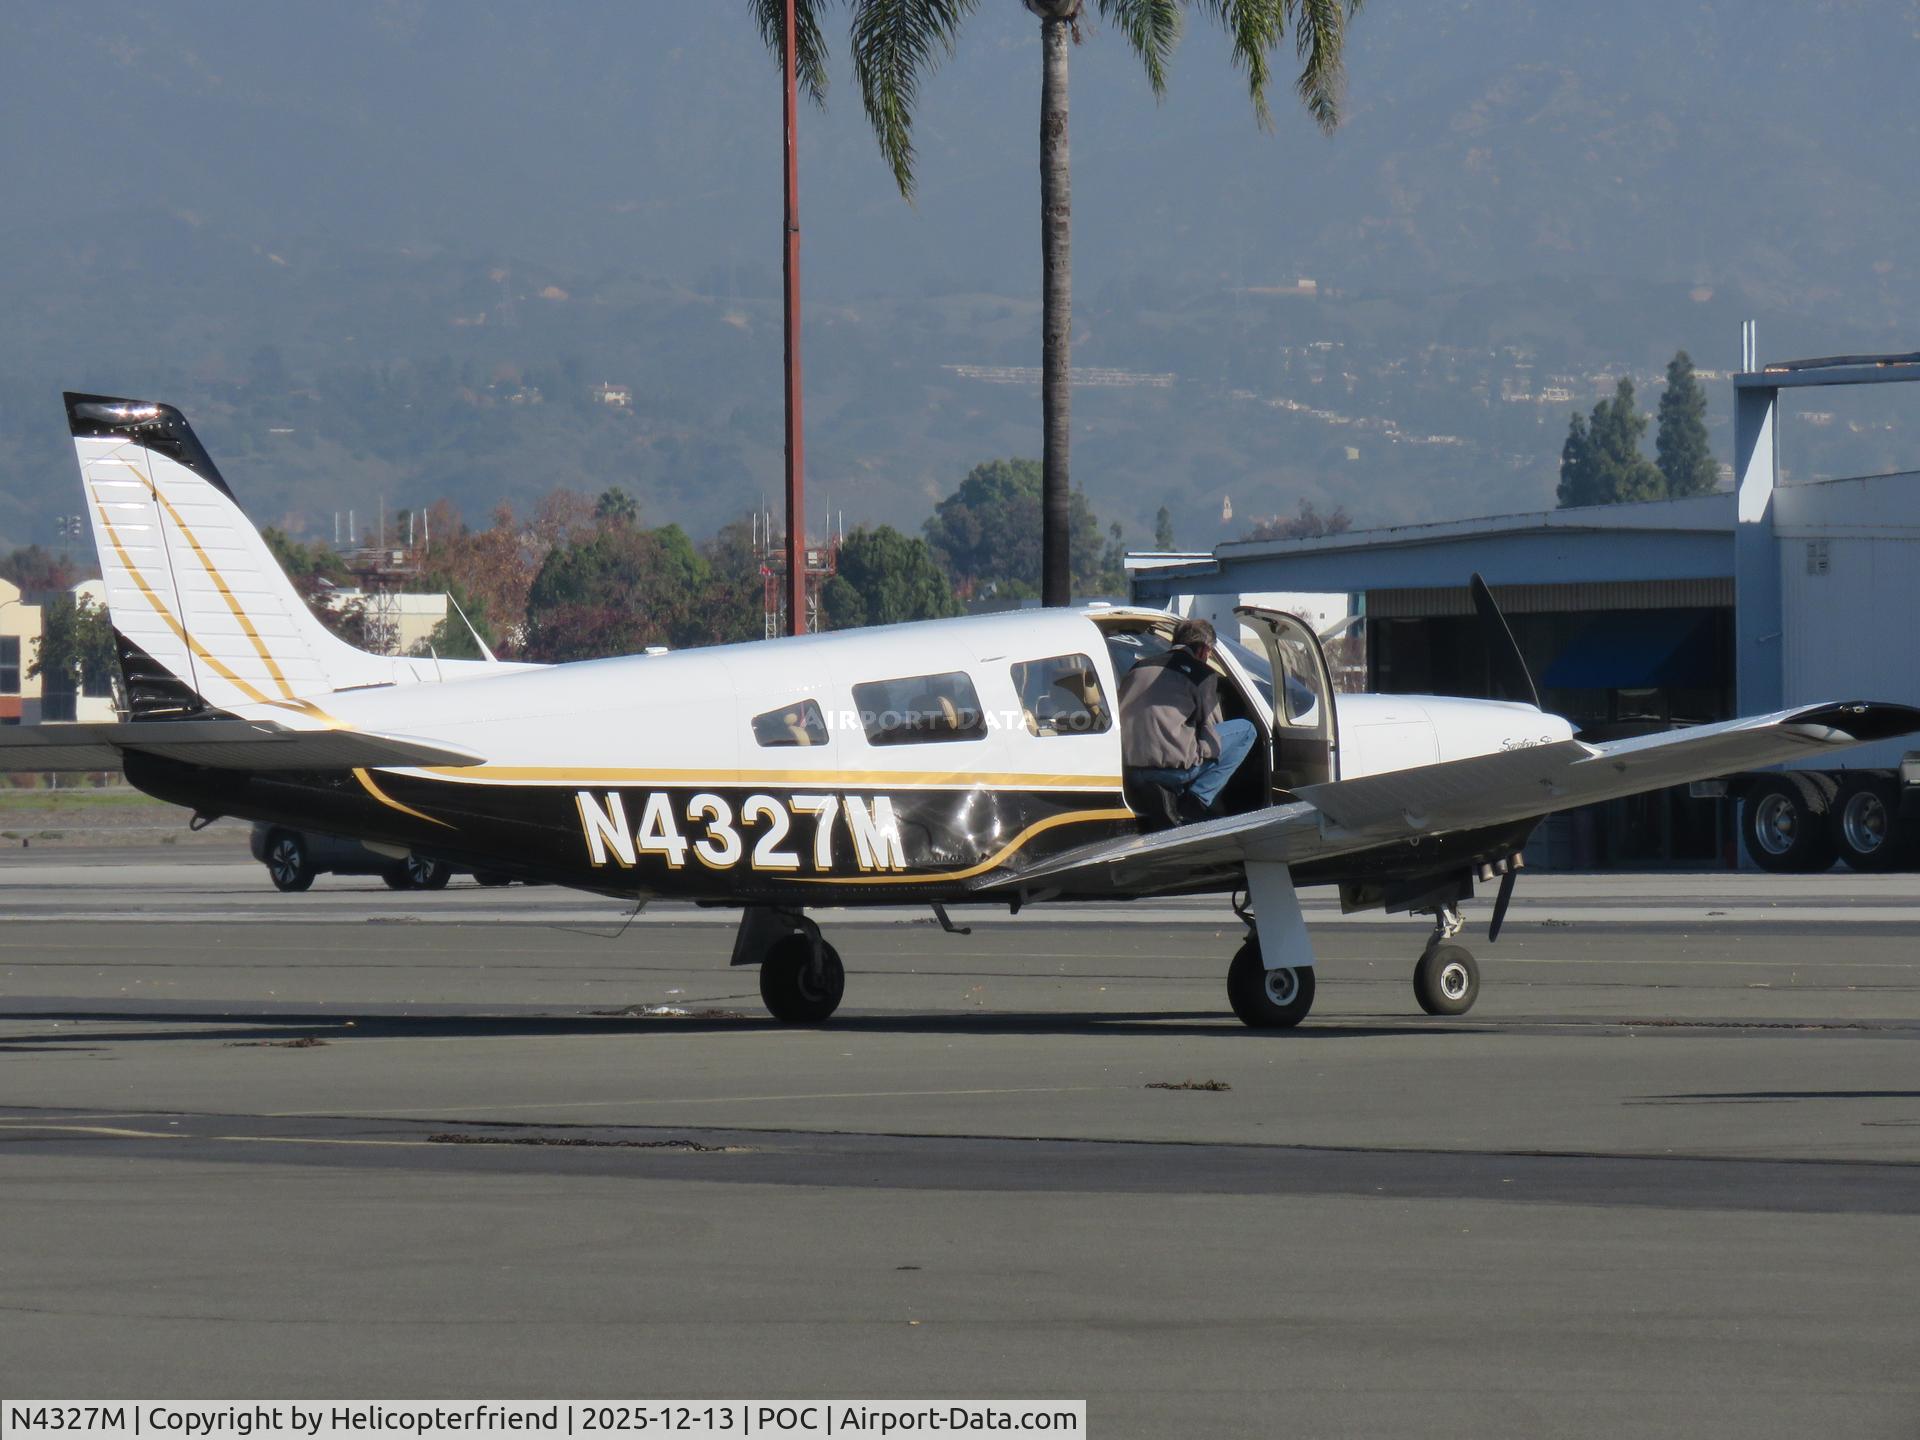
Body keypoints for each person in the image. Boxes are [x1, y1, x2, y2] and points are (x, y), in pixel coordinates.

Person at [1118, 618, 1257, 822]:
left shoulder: (1137, 668)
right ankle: (1197, 801)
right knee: (1247, 730)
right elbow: (1212, 731)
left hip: (1131, 773)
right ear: (1202, 650)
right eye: (1209, 653)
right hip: (1172, 773)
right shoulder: (1202, 675)